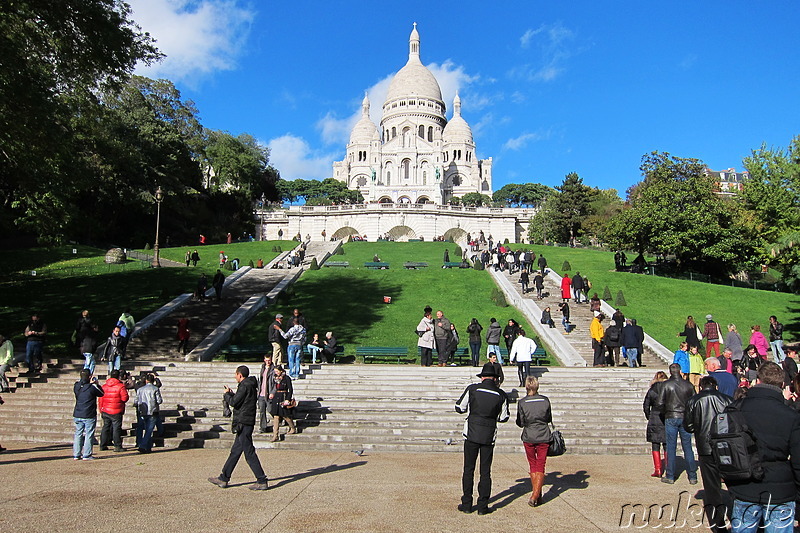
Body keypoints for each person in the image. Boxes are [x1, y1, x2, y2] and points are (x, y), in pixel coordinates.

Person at [726, 362, 800, 532]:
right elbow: (798, 461)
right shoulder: (790, 416)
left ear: (757, 381)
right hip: (779, 489)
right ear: (782, 385)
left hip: (745, 483)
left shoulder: (736, 409)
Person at [455, 363, 510, 515]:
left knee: (468, 469)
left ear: (483, 377)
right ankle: (483, 506)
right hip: (488, 434)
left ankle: (466, 503)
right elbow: (504, 417)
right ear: (495, 378)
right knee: (485, 471)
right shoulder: (501, 394)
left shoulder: (473, 389)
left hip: (472, 432)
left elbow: (460, 407)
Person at [683, 375, 732, 533]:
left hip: (706, 448)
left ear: (701, 387)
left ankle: (718, 525)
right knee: (733, 483)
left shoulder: (694, 401)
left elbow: (688, 426)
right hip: (725, 446)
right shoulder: (727, 400)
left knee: (711, 488)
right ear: (715, 386)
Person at [208, 365, 269, 490]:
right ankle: (223, 478)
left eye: (235, 374)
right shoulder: (250, 385)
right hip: (246, 421)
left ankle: (262, 480)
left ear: (240, 375)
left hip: (243, 422)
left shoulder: (244, 385)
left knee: (249, 452)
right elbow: (242, 400)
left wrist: (226, 395)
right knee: (235, 451)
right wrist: (232, 394)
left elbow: (234, 402)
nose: (235, 376)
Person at [655, 363, 698, 484]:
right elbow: (694, 402)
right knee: (687, 447)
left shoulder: (666, 385)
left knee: (671, 447)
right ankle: (692, 476)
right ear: (680, 371)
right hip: (684, 416)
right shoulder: (688, 385)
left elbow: (659, 403)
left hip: (671, 415)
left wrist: (665, 412)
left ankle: (670, 475)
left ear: (670, 372)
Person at [516, 376, 552, 507]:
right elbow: (548, 418)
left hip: (529, 434)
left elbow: (520, 422)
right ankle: (538, 493)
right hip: (543, 434)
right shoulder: (545, 400)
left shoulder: (523, 402)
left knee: (533, 464)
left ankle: (535, 494)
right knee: (541, 464)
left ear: (526, 387)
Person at [73, 369, 104, 460]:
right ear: (90, 377)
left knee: (78, 433)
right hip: (88, 413)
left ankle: (76, 453)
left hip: (78, 412)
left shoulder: (77, 386)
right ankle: (87, 454)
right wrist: (96, 383)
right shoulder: (91, 387)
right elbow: (101, 393)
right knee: (89, 434)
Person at [643, 371, 668, 477]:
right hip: (667, 417)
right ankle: (668, 468)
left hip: (654, 417)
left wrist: (649, 416)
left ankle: (658, 469)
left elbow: (646, 405)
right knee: (667, 445)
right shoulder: (668, 389)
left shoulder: (652, 389)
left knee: (655, 445)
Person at [98, 369, 129, 452]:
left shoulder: (104, 386)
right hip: (116, 409)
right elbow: (124, 398)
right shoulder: (120, 386)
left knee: (105, 427)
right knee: (116, 428)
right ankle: (117, 446)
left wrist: (101, 408)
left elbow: (100, 399)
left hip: (105, 409)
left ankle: (102, 444)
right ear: (119, 376)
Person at [134, 373, 162, 453]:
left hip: (143, 411)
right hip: (152, 411)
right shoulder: (155, 389)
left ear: (146, 380)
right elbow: (159, 400)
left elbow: (136, 400)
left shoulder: (140, 389)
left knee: (145, 428)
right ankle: (143, 445)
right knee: (149, 430)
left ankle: (147, 446)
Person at [269, 365, 296, 441]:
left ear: (281, 371)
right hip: (276, 397)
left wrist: (288, 399)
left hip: (283, 396)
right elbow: (274, 387)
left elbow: (290, 390)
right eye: (275, 371)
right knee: (276, 416)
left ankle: (292, 427)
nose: (276, 373)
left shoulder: (286, 378)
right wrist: (272, 394)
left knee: (285, 415)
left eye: (277, 371)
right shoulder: (275, 378)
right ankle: (275, 435)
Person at [257, 354, 275, 433]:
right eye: (266, 360)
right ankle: (263, 427)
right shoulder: (262, 368)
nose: (268, 362)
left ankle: (279, 419)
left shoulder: (273, 370)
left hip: (269, 393)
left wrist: (272, 392)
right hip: (261, 393)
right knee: (262, 411)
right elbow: (260, 380)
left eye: (269, 360)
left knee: (270, 409)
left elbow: (275, 384)